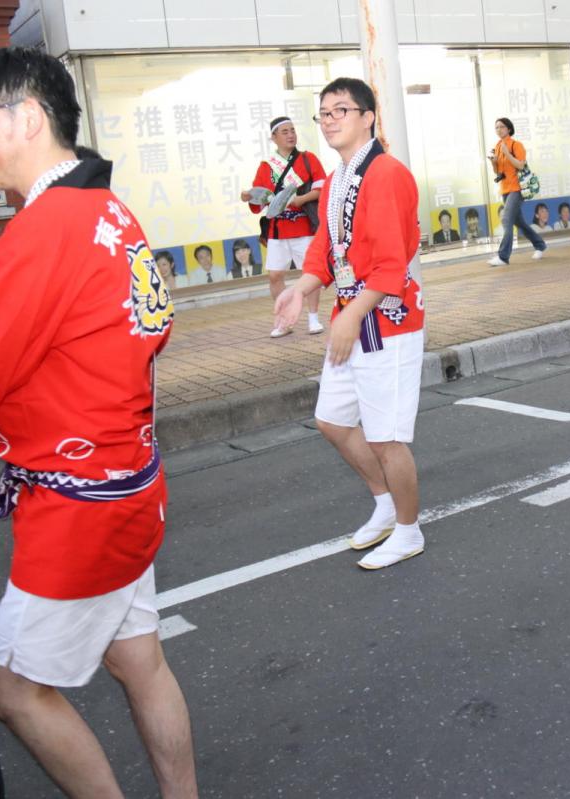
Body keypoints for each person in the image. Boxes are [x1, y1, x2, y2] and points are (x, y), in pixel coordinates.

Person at [0, 47, 197, 797]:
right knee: (139, 660)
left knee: (10, 691)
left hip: (78, 506)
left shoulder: (44, 228)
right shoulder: (106, 211)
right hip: (127, 484)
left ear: (27, 116)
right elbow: (63, 335)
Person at [274, 77, 426, 570]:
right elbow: (326, 248)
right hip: (352, 316)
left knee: (386, 437)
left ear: (368, 117)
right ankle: (384, 503)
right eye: (323, 113)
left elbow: (391, 263)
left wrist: (352, 315)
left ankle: (409, 530)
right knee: (333, 421)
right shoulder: (338, 177)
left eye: (341, 110)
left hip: (387, 322)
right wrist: (300, 289)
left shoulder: (387, 173)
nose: (330, 120)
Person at [242, 116, 324, 338]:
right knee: (275, 276)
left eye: (292, 130)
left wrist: (301, 199)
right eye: (285, 132)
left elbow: (322, 188)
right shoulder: (266, 166)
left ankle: (313, 318)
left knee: (310, 273)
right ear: (274, 137)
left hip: (304, 227)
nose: (290, 135)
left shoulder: (308, 159)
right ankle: (284, 321)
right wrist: (248, 196)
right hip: (277, 230)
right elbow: (259, 201)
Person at [486, 117, 547, 266]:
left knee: (506, 219)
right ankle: (540, 245)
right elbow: (498, 172)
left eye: (501, 127)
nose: (499, 130)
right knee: (519, 222)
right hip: (505, 189)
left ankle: (503, 256)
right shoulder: (498, 146)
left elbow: (520, 165)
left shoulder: (516, 145)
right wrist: (493, 162)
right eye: (496, 127)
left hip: (517, 189)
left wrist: (507, 154)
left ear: (509, 129)